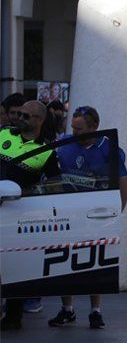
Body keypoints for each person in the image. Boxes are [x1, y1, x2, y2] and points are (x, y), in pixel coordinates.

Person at [50, 106, 127, 329]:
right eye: (73, 128)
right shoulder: (64, 145)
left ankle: (96, 311)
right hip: (67, 212)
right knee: (63, 259)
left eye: (79, 129)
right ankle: (67, 310)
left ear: (94, 127)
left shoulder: (109, 148)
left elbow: (124, 183)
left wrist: (115, 213)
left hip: (95, 215)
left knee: (94, 260)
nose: (75, 133)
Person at [0, 100, 61, 331]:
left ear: (39, 121)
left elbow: (54, 185)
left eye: (26, 116)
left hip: (19, 212)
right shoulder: (3, 134)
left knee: (16, 263)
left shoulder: (46, 151)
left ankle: (13, 316)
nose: (19, 119)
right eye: (19, 114)